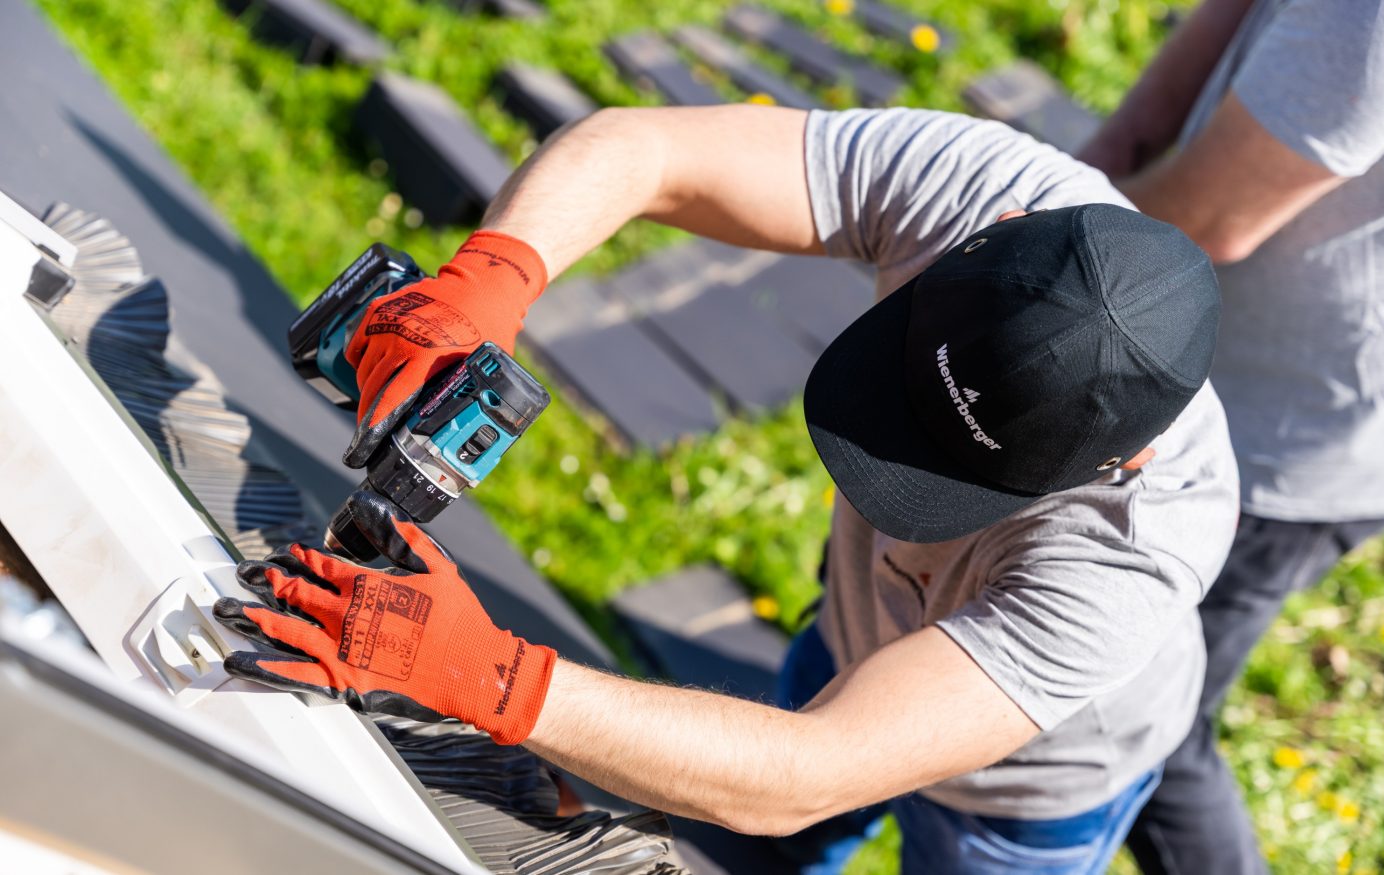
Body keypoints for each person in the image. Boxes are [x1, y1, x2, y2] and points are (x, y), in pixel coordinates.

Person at [213, 104, 1238, 873]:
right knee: (722, 828)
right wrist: (492, 276)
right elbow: (645, 152)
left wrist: (488, 674)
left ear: (1120, 464)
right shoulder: (987, 189)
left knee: (787, 799)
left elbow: (807, 770)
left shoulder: (1129, 553)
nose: (898, 488)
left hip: (1021, 795)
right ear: (991, 231)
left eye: (954, 467)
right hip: (848, 634)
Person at [1077, 1, 1384, 871]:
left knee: (1138, 729)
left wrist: (1050, 247)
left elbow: (1213, 212)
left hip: (1269, 439)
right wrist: (1116, 148)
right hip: (1241, 385)